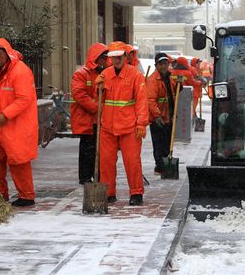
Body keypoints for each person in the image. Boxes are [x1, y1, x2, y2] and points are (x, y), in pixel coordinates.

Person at [0, 38, 38, 206]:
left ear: (7, 54)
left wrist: (6, 114)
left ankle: (27, 196)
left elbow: (24, 99)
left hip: (15, 126)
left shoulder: (20, 71)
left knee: (18, 161)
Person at [95, 41, 149, 205]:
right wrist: (98, 88)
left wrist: (141, 123)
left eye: (119, 57)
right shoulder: (105, 74)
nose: (116, 60)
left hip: (129, 126)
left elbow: (141, 101)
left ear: (125, 57)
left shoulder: (135, 75)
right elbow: (99, 101)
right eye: (113, 57)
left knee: (132, 161)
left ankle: (136, 193)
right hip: (108, 127)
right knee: (106, 162)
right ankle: (109, 192)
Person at [70, 43, 108, 185]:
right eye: (102, 58)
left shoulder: (104, 74)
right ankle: (85, 177)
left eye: (105, 58)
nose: (105, 61)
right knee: (87, 149)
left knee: (98, 149)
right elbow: (79, 94)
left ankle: (96, 175)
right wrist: (96, 107)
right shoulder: (81, 74)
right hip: (86, 119)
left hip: (99, 119)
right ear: (95, 58)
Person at [146, 53, 175, 174]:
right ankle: (159, 166)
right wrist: (157, 116)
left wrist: (179, 84)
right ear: (156, 65)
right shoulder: (153, 80)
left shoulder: (168, 77)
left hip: (168, 116)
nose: (164, 66)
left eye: (165, 63)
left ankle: (165, 163)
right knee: (159, 144)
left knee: (168, 142)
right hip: (157, 118)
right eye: (161, 64)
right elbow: (150, 100)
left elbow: (173, 91)